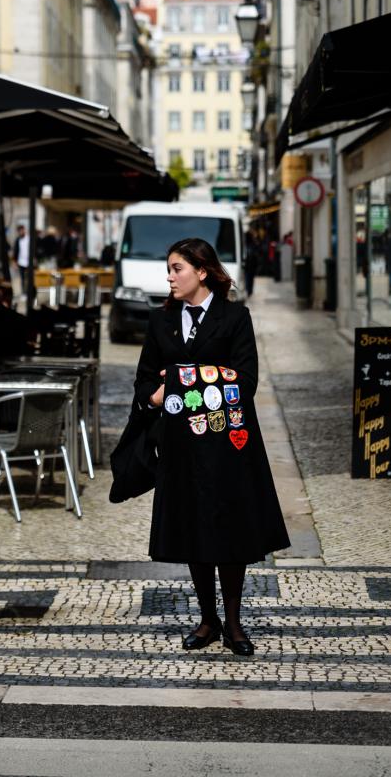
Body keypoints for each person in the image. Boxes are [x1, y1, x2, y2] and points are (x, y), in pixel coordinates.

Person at [134, 237, 289, 656]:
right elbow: (146, 381)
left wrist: (184, 382)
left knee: (230, 528)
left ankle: (235, 622)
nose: (169, 277)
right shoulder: (159, 321)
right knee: (191, 527)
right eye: (169, 268)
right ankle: (208, 619)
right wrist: (158, 394)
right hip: (179, 444)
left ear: (202, 271)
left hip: (227, 443)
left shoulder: (236, 317)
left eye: (177, 268)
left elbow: (246, 379)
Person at [13, 224, 30, 288]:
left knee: (29, 278)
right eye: (19, 231)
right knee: (22, 278)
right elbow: (16, 251)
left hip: (28, 261)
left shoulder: (28, 239)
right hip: (21, 261)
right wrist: (15, 261)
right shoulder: (18, 240)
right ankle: (24, 292)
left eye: (22, 230)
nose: (21, 232)